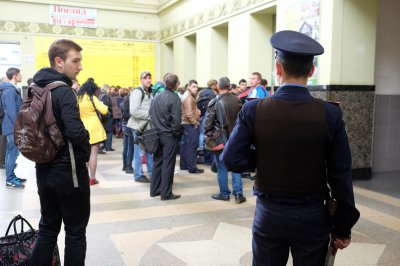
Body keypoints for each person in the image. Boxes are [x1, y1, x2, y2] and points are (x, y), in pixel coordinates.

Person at [221, 30, 360, 265]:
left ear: (278, 68)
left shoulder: (254, 109)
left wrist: (261, 157)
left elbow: (231, 159)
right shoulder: (330, 114)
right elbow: (340, 175)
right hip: (312, 216)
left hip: (269, 213)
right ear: (311, 71)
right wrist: (343, 226)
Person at [30, 39, 91, 266]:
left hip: (43, 169)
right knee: (75, 232)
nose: (80, 66)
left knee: (48, 227)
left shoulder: (37, 89)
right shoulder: (64, 91)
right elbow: (75, 131)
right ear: (59, 62)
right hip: (69, 172)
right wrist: (86, 151)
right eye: (75, 61)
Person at [205, 77, 245, 203]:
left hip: (221, 139)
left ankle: (224, 194)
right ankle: (238, 194)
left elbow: (207, 123)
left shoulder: (214, 102)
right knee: (235, 167)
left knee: (221, 168)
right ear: (229, 86)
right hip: (236, 138)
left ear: (218, 86)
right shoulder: (237, 100)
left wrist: (209, 134)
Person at [150, 73, 183, 200]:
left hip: (156, 134)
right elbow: (176, 121)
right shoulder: (174, 98)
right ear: (176, 85)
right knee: (168, 164)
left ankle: (154, 190)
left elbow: (151, 114)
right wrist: (177, 134)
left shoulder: (157, 97)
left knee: (158, 162)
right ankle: (166, 193)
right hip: (168, 135)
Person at [77, 79, 108, 185]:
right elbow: (104, 110)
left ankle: (83, 177)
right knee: (93, 153)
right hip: (94, 128)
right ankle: (92, 178)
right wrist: (103, 104)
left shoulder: (78, 98)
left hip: (81, 128)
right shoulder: (92, 98)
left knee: (83, 154)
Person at [128, 71, 154, 183]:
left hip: (147, 126)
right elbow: (134, 111)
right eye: (145, 78)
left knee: (150, 150)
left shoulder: (150, 92)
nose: (148, 80)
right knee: (139, 152)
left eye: (149, 78)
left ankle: (152, 173)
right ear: (141, 80)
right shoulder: (138, 92)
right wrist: (150, 114)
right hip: (138, 126)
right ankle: (138, 175)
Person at [0, 67, 25, 189]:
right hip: (12, 126)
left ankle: (11, 176)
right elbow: (11, 112)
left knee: (11, 152)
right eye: (20, 74)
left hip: (11, 125)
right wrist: (19, 126)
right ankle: (10, 179)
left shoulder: (10, 89)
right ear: (15, 75)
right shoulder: (9, 91)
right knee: (12, 153)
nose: (21, 76)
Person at [180, 80, 204, 173]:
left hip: (186, 123)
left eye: (196, 87)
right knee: (192, 146)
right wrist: (195, 123)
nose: (196, 88)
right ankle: (192, 167)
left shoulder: (187, 95)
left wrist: (197, 111)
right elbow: (189, 114)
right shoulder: (189, 97)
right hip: (189, 124)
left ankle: (184, 165)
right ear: (188, 86)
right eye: (194, 86)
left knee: (185, 145)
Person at [196, 79, 217, 164]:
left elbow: (196, 101)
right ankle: (207, 149)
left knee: (201, 133)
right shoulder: (214, 93)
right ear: (213, 85)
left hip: (200, 114)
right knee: (207, 133)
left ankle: (200, 148)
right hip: (208, 115)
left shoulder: (201, 92)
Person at [119, 87, 134, 174]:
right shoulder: (129, 101)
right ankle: (129, 166)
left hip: (124, 126)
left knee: (125, 146)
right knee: (130, 147)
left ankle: (124, 165)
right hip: (130, 125)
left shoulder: (121, 103)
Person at [98, 84, 114, 153]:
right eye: (109, 89)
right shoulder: (105, 96)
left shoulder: (100, 95)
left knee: (106, 131)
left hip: (103, 117)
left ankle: (105, 146)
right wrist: (108, 115)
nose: (110, 90)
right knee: (109, 131)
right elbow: (105, 107)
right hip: (107, 117)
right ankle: (108, 146)